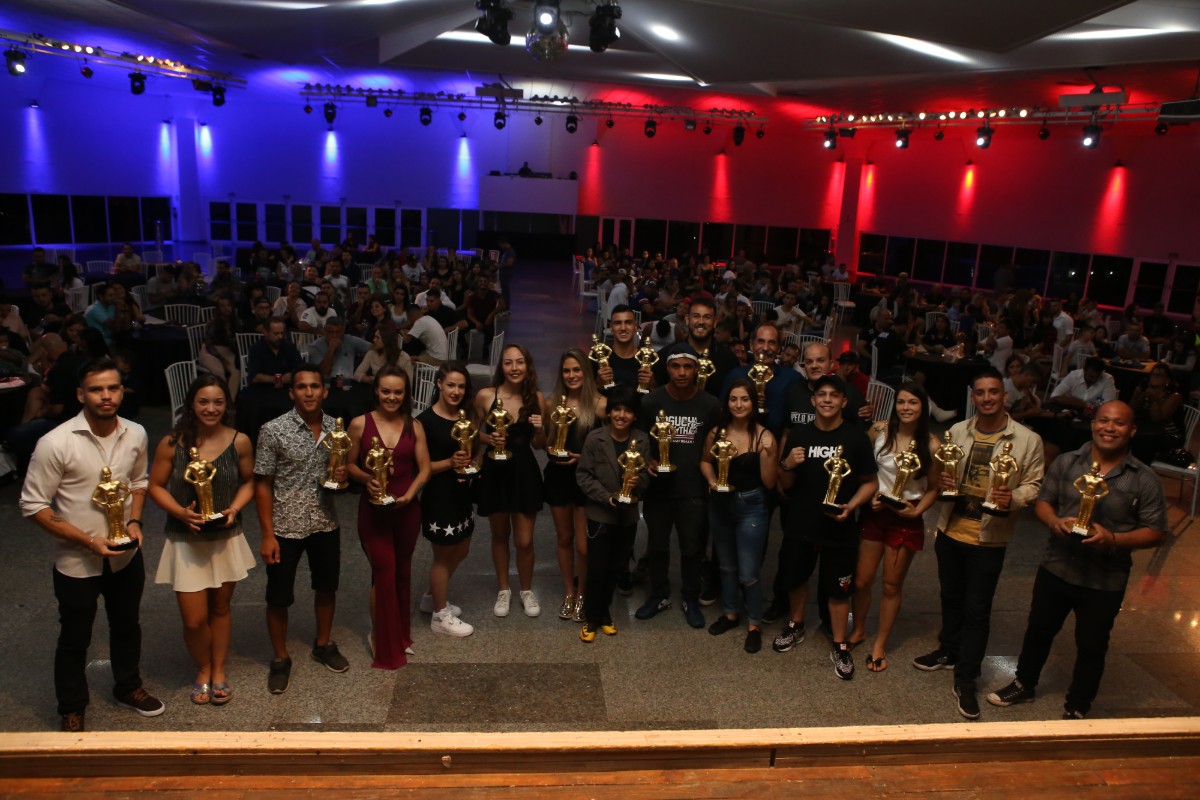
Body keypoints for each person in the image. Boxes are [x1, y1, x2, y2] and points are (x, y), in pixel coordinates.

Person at [986, 401, 1167, 719]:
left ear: (1132, 430)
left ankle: (1078, 705)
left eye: (1119, 423)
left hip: (1104, 579)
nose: (1109, 428)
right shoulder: (1067, 462)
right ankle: (1024, 683)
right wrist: (1054, 521)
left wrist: (1113, 538)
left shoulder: (1144, 478)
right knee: (1038, 630)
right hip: (1056, 566)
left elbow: (1156, 532)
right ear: (1093, 424)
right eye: (1104, 420)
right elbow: (1044, 502)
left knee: (1092, 644)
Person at [20, 356, 165, 731]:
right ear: (81, 394)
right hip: (76, 560)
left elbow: (138, 482)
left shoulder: (135, 433)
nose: (106, 396)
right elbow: (33, 504)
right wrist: (87, 540)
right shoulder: (55, 443)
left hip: (125, 554)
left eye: (113, 388)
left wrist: (135, 521)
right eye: (97, 389)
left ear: (122, 391)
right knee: (75, 637)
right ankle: (71, 706)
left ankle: (128, 687)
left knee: (127, 625)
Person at [913, 367, 1044, 720]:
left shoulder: (1027, 439)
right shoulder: (958, 431)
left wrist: (1014, 497)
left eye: (993, 392)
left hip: (989, 538)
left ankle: (966, 677)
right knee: (950, 597)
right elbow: (945, 472)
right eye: (981, 393)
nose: (987, 398)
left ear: (1004, 395)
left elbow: (1034, 484)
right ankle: (949, 649)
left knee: (977, 610)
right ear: (974, 397)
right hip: (950, 529)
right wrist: (942, 479)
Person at [148, 374, 256, 706]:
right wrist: (180, 513)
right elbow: (154, 486)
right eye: (204, 402)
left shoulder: (239, 441)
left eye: (218, 402)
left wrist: (235, 508)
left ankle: (217, 670)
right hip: (185, 538)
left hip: (224, 537)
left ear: (227, 405)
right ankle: (203, 666)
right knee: (194, 619)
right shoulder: (172, 443)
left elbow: (250, 482)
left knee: (220, 608)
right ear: (191, 404)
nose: (211, 408)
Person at [254, 366, 350, 694]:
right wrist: (267, 534)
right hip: (285, 526)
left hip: (325, 521)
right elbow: (262, 484)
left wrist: (342, 476)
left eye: (315, 386)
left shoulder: (336, 429)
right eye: (302, 386)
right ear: (291, 392)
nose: (309, 392)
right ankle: (280, 658)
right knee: (278, 596)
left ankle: (323, 644)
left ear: (325, 391)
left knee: (326, 587)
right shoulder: (273, 430)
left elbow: (340, 473)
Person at [776, 374, 878, 680]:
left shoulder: (856, 438)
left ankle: (839, 642)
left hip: (840, 527)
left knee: (839, 588)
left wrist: (851, 506)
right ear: (813, 400)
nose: (828, 400)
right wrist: (786, 464)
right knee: (795, 578)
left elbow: (870, 482)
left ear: (844, 402)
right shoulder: (799, 435)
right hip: (801, 522)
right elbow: (786, 484)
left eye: (834, 395)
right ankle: (796, 624)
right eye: (822, 395)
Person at [849, 382, 942, 672]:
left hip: (904, 517)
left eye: (913, 402)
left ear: (923, 407)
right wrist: (869, 494)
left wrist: (918, 511)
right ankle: (859, 630)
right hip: (874, 512)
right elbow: (864, 468)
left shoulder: (932, 445)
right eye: (901, 401)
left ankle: (880, 644)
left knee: (891, 585)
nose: (906, 407)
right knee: (862, 580)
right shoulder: (879, 430)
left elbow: (934, 488)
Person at [346, 365, 430, 669]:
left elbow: (425, 468)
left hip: (407, 511)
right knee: (385, 572)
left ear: (406, 394)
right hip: (374, 512)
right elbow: (349, 465)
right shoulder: (359, 424)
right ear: (376, 392)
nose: (391, 397)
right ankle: (381, 639)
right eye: (385, 391)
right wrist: (366, 478)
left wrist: (411, 493)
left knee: (403, 572)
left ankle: (400, 636)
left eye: (397, 392)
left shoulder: (414, 426)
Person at [636, 348, 722, 628]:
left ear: (697, 369)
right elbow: (639, 439)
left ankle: (690, 597)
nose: (682, 372)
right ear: (667, 369)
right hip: (659, 490)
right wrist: (647, 459)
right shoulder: (651, 401)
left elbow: (717, 446)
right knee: (657, 546)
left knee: (692, 549)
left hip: (693, 489)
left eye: (688, 366)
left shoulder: (710, 405)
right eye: (676, 366)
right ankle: (658, 595)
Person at [699, 379, 778, 653]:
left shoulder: (764, 436)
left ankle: (754, 624)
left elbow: (769, 483)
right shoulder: (716, 433)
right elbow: (705, 461)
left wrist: (770, 454)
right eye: (733, 399)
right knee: (726, 567)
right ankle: (731, 613)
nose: (738, 404)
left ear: (753, 403)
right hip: (720, 505)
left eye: (744, 399)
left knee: (749, 573)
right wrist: (712, 481)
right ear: (727, 402)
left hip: (751, 506)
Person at [473, 343, 547, 618]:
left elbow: (539, 444)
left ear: (527, 366)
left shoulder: (536, 398)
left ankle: (526, 589)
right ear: (501, 367)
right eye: (508, 362)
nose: (514, 368)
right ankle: (504, 589)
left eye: (519, 362)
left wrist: (540, 430)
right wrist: (488, 438)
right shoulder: (486, 396)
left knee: (524, 540)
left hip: (524, 471)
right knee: (500, 535)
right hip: (495, 470)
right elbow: (469, 432)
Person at [575, 386, 651, 642]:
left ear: (635, 415)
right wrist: (606, 497)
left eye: (627, 411)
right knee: (597, 568)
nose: (621, 415)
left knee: (616, 567)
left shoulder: (642, 440)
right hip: (600, 515)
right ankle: (591, 617)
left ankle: (605, 614)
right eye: (616, 409)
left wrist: (637, 484)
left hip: (627, 516)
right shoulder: (595, 438)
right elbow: (583, 476)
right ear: (608, 413)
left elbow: (645, 476)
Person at [544, 349, 607, 622]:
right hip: (558, 477)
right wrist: (547, 444)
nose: (571, 375)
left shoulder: (600, 405)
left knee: (583, 545)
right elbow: (545, 442)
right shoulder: (551, 404)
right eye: (567, 371)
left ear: (587, 372)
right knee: (563, 537)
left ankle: (583, 593)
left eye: (577, 370)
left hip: (586, 479)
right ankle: (569, 592)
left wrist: (584, 459)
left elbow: (609, 449)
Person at [417, 362, 478, 636]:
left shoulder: (465, 417)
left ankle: (432, 597)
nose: (456, 391)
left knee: (462, 550)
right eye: (451, 385)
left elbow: (472, 449)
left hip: (462, 494)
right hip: (439, 496)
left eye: (461, 386)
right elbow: (420, 467)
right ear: (439, 384)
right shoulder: (424, 422)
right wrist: (450, 463)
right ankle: (440, 617)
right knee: (442, 557)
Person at [1128, 363, 1186, 464]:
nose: (1154, 377)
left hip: (1168, 436)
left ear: (1167, 380)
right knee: (1128, 433)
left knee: (1140, 440)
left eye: (1159, 375)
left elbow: (1157, 418)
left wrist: (1155, 399)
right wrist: (1136, 396)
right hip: (1147, 431)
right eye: (1153, 374)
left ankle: (1139, 467)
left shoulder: (1174, 397)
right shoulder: (1147, 392)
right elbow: (1130, 412)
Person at [308, 317, 370, 383]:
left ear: (343, 331)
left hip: (348, 384)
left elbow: (373, 348)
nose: (334, 336)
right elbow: (324, 372)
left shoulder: (349, 340)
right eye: (331, 332)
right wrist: (331, 349)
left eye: (338, 332)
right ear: (325, 331)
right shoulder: (315, 347)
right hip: (326, 384)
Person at [247, 317, 305, 386]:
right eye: (276, 333)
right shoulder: (256, 348)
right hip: (263, 387)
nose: (280, 336)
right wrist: (279, 379)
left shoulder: (289, 347)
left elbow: (300, 368)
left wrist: (292, 375)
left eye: (282, 333)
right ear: (265, 332)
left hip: (287, 387)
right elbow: (254, 377)